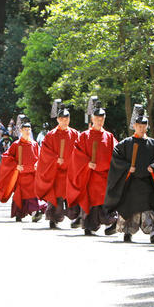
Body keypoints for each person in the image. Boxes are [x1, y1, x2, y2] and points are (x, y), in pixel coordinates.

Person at [104, 114, 154, 243]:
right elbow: (116, 158)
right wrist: (127, 168)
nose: (142, 129)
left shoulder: (153, 143)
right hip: (130, 183)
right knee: (128, 207)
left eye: (144, 126)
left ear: (147, 127)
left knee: (148, 206)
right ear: (134, 126)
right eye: (139, 126)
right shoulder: (126, 143)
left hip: (146, 182)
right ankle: (127, 232)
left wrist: (153, 167)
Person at [66, 100, 118, 236]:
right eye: (97, 119)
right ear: (92, 119)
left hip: (104, 176)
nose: (99, 121)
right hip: (88, 175)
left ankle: (110, 222)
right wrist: (86, 163)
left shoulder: (109, 137)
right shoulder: (84, 136)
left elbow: (116, 154)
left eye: (102, 119)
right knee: (90, 201)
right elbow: (76, 153)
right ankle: (88, 225)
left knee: (103, 201)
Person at [35, 104, 81, 229]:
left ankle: (76, 218)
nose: (64, 121)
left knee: (74, 196)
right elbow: (45, 152)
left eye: (66, 119)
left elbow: (80, 151)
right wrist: (55, 159)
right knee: (57, 197)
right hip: (56, 172)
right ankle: (53, 218)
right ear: (58, 120)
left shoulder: (75, 134)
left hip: (71, 173)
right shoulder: (50, 135)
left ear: (69, 119)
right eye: (62, 119)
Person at [0, 120, 45, 222]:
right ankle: (19, 214)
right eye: (25, 130)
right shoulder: (16, 144)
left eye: (29, 129)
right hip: (20, 176)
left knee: (33, 194)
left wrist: (37, 164)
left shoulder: (34, 144)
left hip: (32, 175)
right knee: (20, 195)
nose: (27, 132)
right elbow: (7, 157)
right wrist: (15, 165)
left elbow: (40, 157)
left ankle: (35, 212)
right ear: (21, 131)